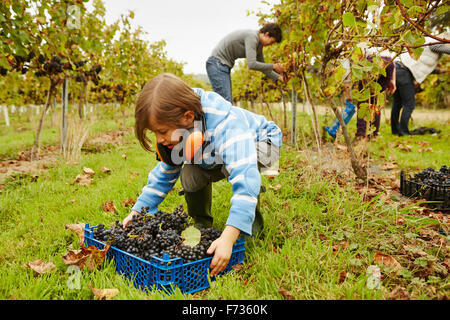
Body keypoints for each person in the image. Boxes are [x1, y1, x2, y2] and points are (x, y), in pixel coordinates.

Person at [122, 73, 282, 277]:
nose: (160, 139)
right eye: (155, 133)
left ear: (188, 117)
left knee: (242, 171)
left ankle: (249, 228)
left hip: (263, 143)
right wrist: (137, 212)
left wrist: (228, 238)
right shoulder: (181, 126)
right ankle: (201, 222)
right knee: (190, 172)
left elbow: (244, 177)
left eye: (162, 131)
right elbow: (163, 175)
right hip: (216, 150)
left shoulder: (225, 125)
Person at [206, 23, 287, 104]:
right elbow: (252, 64)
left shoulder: (259, 46)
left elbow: (263, 68)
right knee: (226, 103)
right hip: (217, 63)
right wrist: (274, 66)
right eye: (272, 41)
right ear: (266, 34)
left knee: (225, 103)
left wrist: (279, 77)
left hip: (222, 66)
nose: (271, 45)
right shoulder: (252, 37)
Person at [391, 34, 450, 136]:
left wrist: (441, 71)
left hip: (398, 69)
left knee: (398, 103)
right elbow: (436, 46)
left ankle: (396, 130)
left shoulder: (428, 46)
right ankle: (403, 132)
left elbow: (423, 66)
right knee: (409, 104)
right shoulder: (434, 42)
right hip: (404, 71)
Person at [354, 55, 396, 139]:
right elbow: (394, 59)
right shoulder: (391, 44)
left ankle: (361, 134)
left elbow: (359, 56)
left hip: (371, 61)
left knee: (364, 99)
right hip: (389, 63)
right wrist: (393, 80)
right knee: (377, 99)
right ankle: (373, 134)